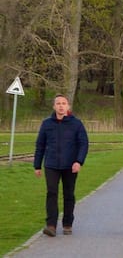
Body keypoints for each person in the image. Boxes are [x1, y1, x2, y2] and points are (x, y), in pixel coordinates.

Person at [34, 94, 89, 237]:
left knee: (68, 194)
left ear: (68, 106)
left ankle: (67, 224)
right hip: (51, 164)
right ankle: (51, 225)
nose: (61, 106)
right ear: (54, 106)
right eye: (58, 103)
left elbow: (83, 144)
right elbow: (40, 145)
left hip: (70, 165)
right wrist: (37, 165)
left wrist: (79, 161)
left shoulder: (76, 124)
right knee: (51, 193)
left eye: (63, 103)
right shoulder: (47, 124)